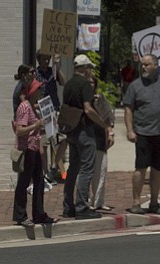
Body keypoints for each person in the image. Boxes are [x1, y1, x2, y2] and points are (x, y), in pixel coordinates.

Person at [123, 54, 160, 215]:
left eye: (147, 64)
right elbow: (128, 109)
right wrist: (130, 130)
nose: (143, 67)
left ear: (156, 66)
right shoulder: (135, 86)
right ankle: (136, 202)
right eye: (142, 64)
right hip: (143, 132)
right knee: (140, 168)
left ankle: (154, 203)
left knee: (157, 169)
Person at [62, 54, 106, 220]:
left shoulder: (68, 85)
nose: (90, 72)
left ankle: (68, 206)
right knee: (86, 169)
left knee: (72, 169)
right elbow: (88, 109)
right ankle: (82, 207)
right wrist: (101, 122)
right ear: (85, 68)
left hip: (71, 130)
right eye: (89, 68)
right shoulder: (85, 85)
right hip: (84, 130)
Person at [13, 79, 58, 226]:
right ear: (32, 92)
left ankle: (39, 214)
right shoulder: (24, 108)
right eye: (39, 89)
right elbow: (19, 130)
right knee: (24, 183)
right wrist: (36, 125)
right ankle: (20, 215)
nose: (41, 91)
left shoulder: (33, 107)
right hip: (26, 150)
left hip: (34, 148)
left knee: (39, 181)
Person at [35, 50, 68, 183]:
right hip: (43, 109)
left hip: (53, 108)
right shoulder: (36, 74)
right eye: (44, 59)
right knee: (45, 143)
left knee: (62, 139)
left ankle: (54, 167)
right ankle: (46, 173)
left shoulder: (52, 72)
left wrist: (57, 65)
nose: (46, 61)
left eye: (48, 59)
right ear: (39, 59)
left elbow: (63, 82)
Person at [88, 73, 115, 211]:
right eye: (88, 82)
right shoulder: (83, 99)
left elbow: (108, 118)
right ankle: (86, 201)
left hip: (99, 137)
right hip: (86, 138)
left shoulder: (100, 100)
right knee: (87, 171)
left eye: (93, 82)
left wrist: (110, 133)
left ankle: (98, 201)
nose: (90, 85)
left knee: (101, 170)